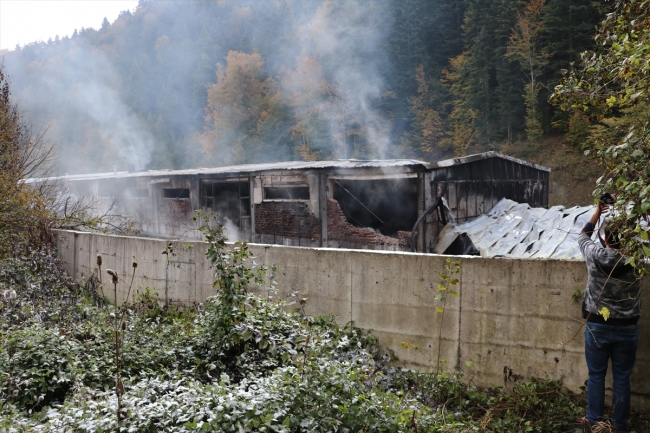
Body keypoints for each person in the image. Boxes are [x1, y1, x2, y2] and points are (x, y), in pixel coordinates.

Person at [578, 198, 642, 432]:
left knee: (596, 376)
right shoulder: (638, 261)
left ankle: (595, 423)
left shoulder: (594, 255)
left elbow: (583, 235)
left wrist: (598, 210)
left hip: (597, 326)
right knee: (622, 378)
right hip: (627, 328)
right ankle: (621, 426)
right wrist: (630, 202)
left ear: (605, 239)